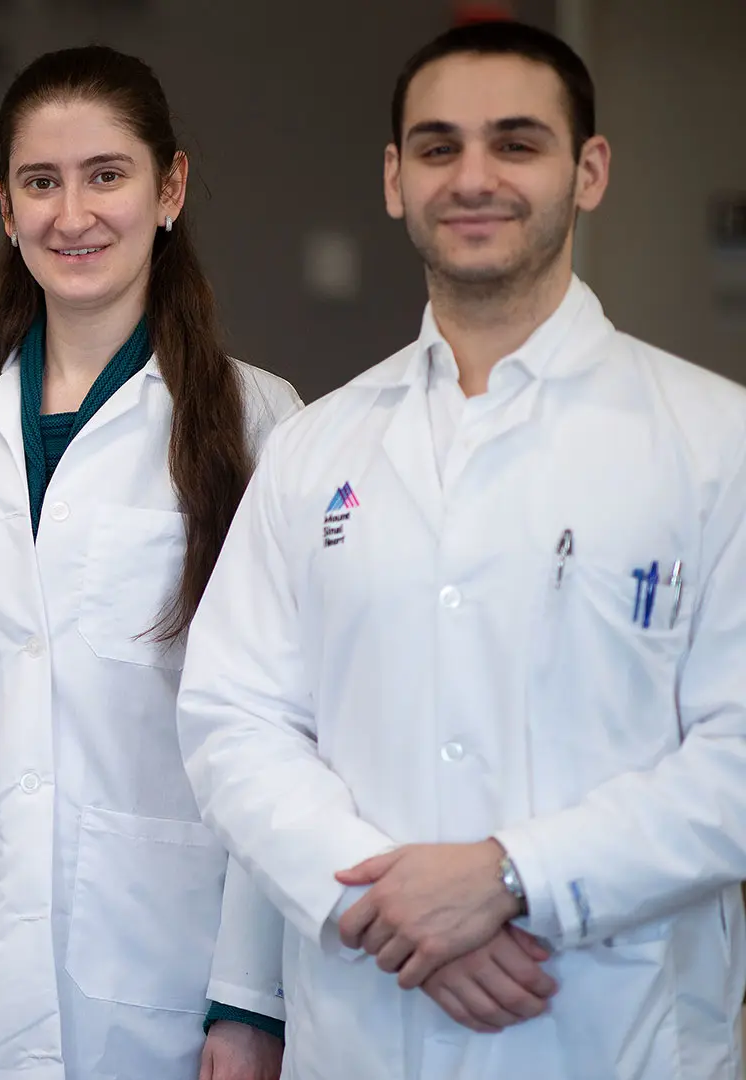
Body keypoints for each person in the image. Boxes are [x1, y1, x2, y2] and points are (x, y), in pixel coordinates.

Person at [177, 19, 746, 1079]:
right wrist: (385, 906)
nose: (473, 176)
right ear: (395, 179)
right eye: (438, 148)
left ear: (590, 171)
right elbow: (233, 717)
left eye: (516, 144)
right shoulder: (317, 449)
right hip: (367, 1022)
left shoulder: (714, 443)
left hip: (616, 1034)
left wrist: (513, 876)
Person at [0, 46, 300, 1080]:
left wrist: (250, 997)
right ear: (4, 205)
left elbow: (284, 734)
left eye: (107, 175)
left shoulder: (259, 425)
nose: (72, 214)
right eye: (41, 182)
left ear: (169, 187)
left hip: (171, 971)